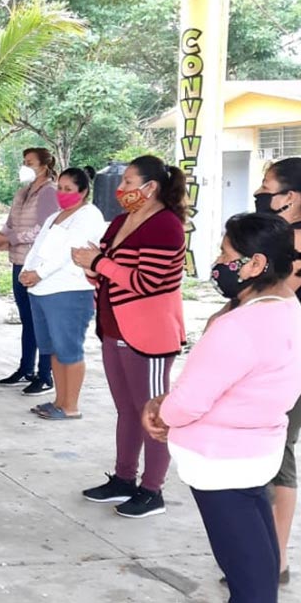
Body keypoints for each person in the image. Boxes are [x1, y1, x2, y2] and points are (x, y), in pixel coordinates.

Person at [142, 212, 301, 601]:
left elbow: (189, 403)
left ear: (257, 264)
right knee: (260, 569)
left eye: (225, 253)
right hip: (255, 456)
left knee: (250, 584)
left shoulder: (237, 327)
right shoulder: (290, 309)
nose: (217, 262)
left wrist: (160, 410)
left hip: (220, 463)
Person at [71, 154, 187, 519]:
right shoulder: (121, 221)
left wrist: (97, 264)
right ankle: (124, 478)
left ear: (151, 188)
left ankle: (152, 490)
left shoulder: (166, 226)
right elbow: (107, 268)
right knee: (126, 409)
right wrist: (92, 268)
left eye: (129, 183)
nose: (121, 190)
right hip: (113, 327)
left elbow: (146, 282)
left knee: (153, 413)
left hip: (148, 335)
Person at [249, 156, 301, 581]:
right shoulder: (283, 236)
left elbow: (271, 294)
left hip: (291, 357)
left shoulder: (296, 245)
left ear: (291, 196)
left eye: (267, 185)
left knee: (278, 453)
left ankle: (276, 559)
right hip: (275, 352)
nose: (260, 192)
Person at [19, 168, 107, 420]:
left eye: (69, 189)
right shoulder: (55, 217)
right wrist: (27, 271)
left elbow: (70, 249)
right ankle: (59, 400)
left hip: (70, 291)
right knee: (54, 349)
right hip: (42, 290)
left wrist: (40, 273)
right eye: (60, 187)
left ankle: (71, 406)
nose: (62, 193)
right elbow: (39, 246)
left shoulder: (89, 214)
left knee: (69, 349)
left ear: (84, 191)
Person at [0, 148, 59, 395]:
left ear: (43, 166)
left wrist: (12, 239)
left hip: (37, 264)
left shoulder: (50, 192)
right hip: (20, 262)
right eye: (24, 162)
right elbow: (10, 224)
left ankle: (45, 374)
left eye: (29, 162)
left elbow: (44, 229)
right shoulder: (22, 192)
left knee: (40, 320)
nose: (25, 166)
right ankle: (26, 368)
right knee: (27, 320)